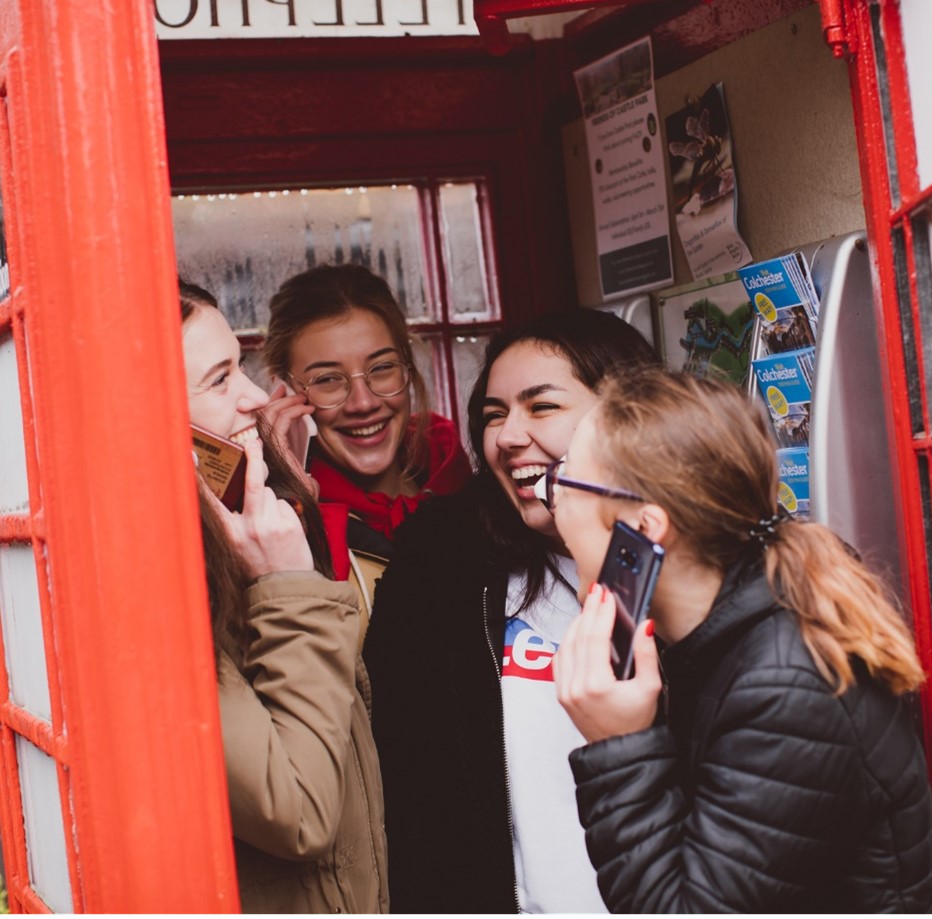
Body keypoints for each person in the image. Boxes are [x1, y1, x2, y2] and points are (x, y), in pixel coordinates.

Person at [552, 368, 932, 913]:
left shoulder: (785, 685)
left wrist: (618, 749)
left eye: (567, 479)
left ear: (644, 525)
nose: (556, 502)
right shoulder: (705, 638)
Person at [362, 309, 658, 913]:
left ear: (628, 414)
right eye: (493, 414)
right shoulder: (441, 564)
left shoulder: (683, 566)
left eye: (541, 406)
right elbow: (407, 783)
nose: (506, 436)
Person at [180, 280, 389, 913]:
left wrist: (290, 494)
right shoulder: (165, 585)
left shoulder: (232, 532)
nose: (253, 398)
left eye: (240, 366)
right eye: (219, 381)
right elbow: (299, 810)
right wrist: (288, 584)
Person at [263, 264, 471, 639]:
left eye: (382, 368)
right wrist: (288, 495)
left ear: (408, 367)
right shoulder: (274, 528)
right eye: (327, 379)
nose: (363, 403)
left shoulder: (473, 490)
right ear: (281, 390)